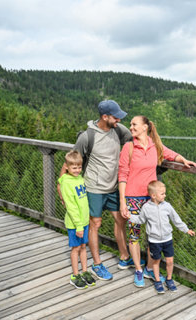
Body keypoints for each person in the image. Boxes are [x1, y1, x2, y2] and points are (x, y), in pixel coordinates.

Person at [58, 100, 134, 281]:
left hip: (114, 186)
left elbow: (136, 141)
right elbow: (69, 162)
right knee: (95, 223)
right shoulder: (87, 136)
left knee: (120, 219)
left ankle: (124, 256)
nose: (119, 120)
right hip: (93, 188)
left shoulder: (119, 130)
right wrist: (61, 188)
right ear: (104, 117)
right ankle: (97, 264)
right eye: (115, 117)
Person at [118, 115, 196, 287]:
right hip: (133, 198)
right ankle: (138, 270)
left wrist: (182, 159)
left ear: (145, 127)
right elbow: (122, 175)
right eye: (130, 125)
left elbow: (170, 154)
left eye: (134, 124)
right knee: (134, 234)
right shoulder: (128, 147)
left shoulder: (155, 146)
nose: (130, 127)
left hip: (151, 197)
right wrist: (123, 201)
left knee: (152, 233)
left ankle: (148, 267)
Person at [127, 180, 195, 294]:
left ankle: (169, 279)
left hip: (167, 239)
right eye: (162, 193)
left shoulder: (167, 206)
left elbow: (176, 219)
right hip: (154, 241)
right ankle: (157, 281)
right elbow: (140, 220)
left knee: (170, 261)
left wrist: (186, 229)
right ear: (153, 195)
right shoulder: (146, 208)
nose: (165, 195)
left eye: (164, 193)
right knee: (156, 261)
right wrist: (129, 216)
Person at [58, 150, 96, 289]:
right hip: (75, 224)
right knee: (76, 248)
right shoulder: (67, 183)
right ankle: (75, 275)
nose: (77, 170)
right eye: (74, 167)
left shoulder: (80, 179)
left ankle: (85, 271)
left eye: (79, 167)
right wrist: (78, 226)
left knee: (83, 247)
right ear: (67, 167)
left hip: (84, 221)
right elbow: (71, 207)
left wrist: (84, 222)